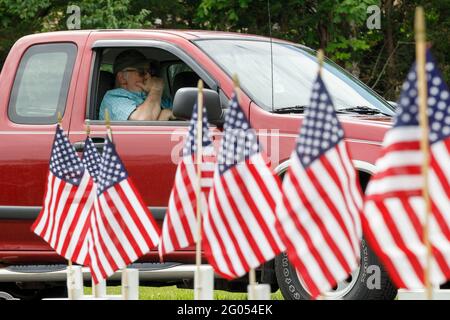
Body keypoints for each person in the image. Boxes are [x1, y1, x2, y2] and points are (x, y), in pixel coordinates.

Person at [99, 49, 174, 121]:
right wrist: (156, 89)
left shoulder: (154, 96)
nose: (148, 76)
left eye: (150, 71)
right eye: (141, 72)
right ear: (122, 78)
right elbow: (142, 122)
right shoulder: (112, 99)